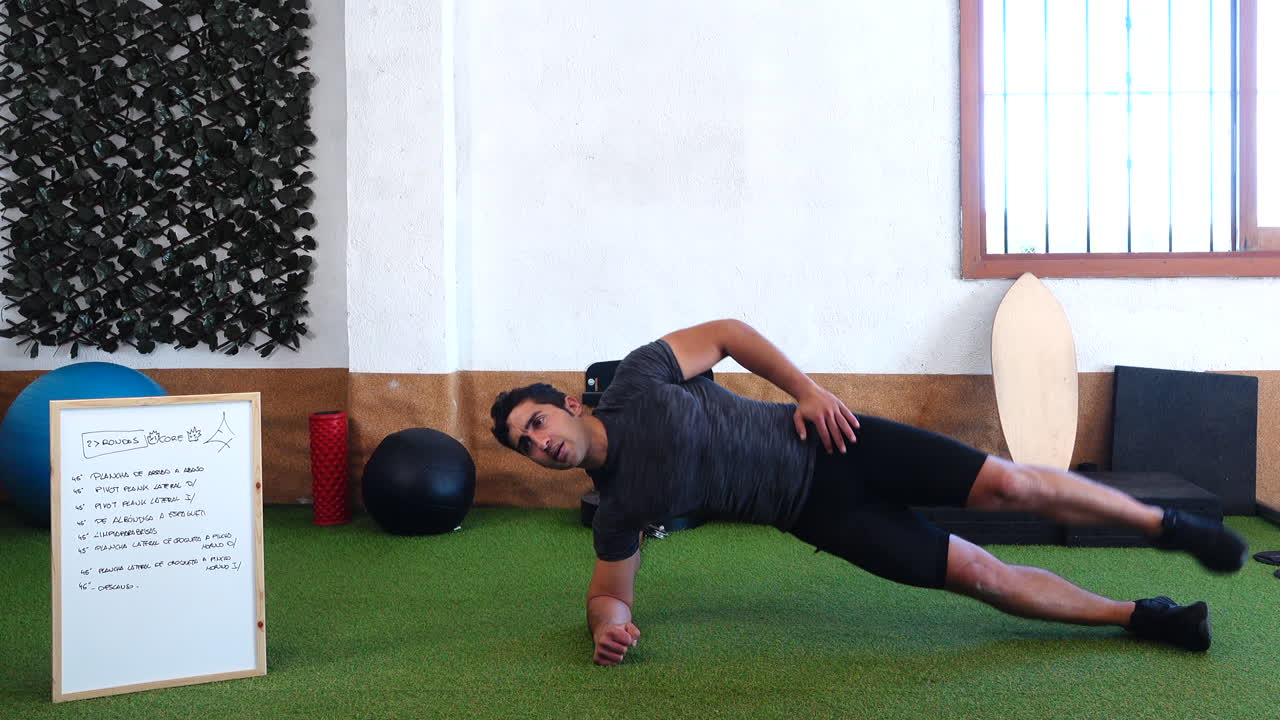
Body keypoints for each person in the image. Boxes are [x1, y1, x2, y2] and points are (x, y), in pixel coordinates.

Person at [489, 319, 1248, 665]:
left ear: (569, 405)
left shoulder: (635, 378)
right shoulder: (617, 509)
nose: (539, 441)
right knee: (980, 575)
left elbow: (726, 334)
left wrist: (809, 391)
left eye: (537, 421)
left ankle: (1163, 523)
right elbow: (608, 593)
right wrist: (606, 627)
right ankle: (1145, 616)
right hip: (820, 513)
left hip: (836, 441)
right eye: (525, 445)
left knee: (1011, 484)